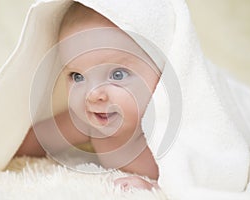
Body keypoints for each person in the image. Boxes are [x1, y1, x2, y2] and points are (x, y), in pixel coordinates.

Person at [16, 2, 161, 191]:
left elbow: (204, 173)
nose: (93, 95)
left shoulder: (178, 128)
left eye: (118, 75)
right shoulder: (89, 122)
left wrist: (153, 187)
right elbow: (33, 141)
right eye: (78, 76)